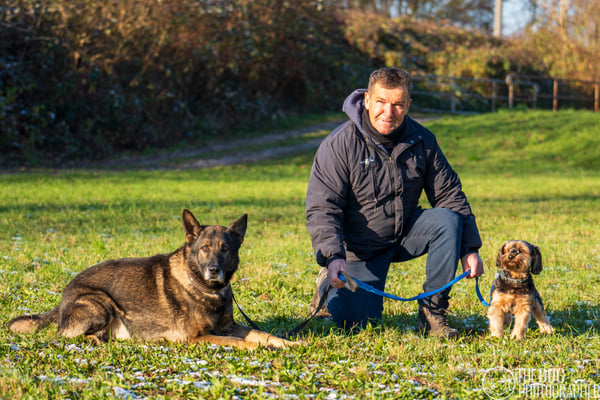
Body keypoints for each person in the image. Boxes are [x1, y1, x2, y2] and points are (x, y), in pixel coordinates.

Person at [305, 67, 484, 338]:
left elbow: (449, 194)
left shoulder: (423, 140)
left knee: (447, 220)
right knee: (358, 324)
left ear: (408, 105)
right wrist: (333, 257)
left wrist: (469, 249)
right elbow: (323, 208)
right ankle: (327, 288)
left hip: (404, 234)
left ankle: (432, 315)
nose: (388, 112)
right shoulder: (339, 145)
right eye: (381, 102)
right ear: (367, 100)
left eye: (398, 104)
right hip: (360, 249)